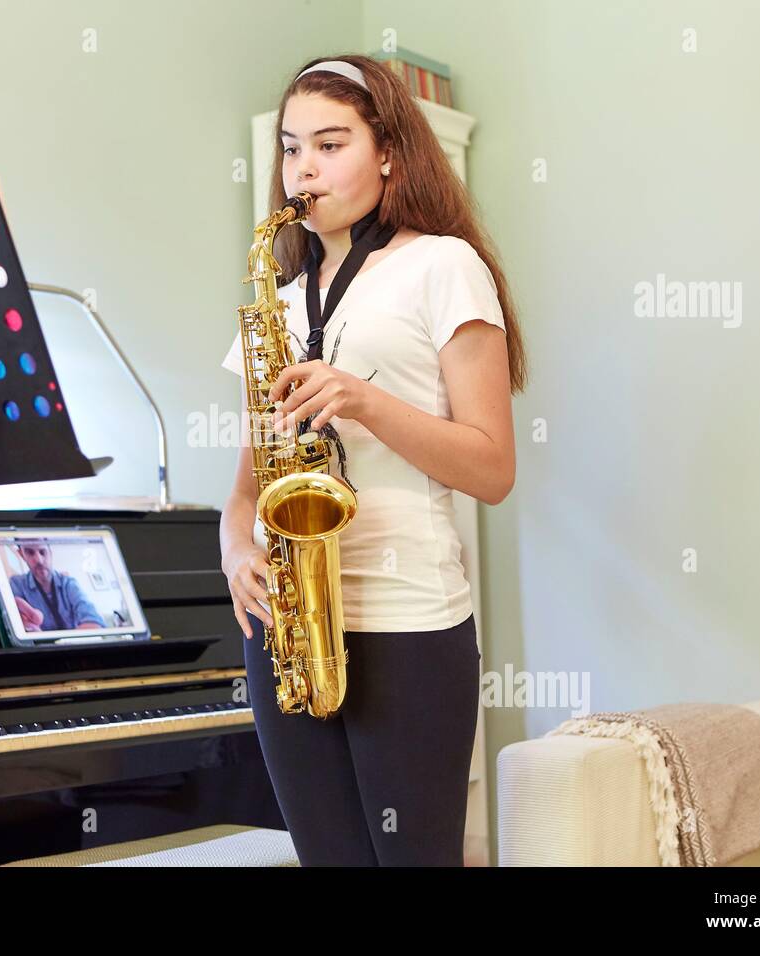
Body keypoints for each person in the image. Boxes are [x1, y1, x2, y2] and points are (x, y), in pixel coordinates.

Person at [219, 55, 527, 866]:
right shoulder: (278, 301)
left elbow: (494, 469)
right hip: (289, 622)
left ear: (388, 150)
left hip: (407, 619)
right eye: (291, 149)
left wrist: (365, 401)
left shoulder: (443, 266)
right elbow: (244, 492)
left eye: (330, 143)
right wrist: (233, 551)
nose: (304, 168)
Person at [7, 539, 104, 631]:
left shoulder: (69, 583)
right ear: (21, 555)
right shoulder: (17, 584)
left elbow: (93, 620)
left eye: (42, 552)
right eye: (30, 552)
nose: (39, 560)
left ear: (50, 552)